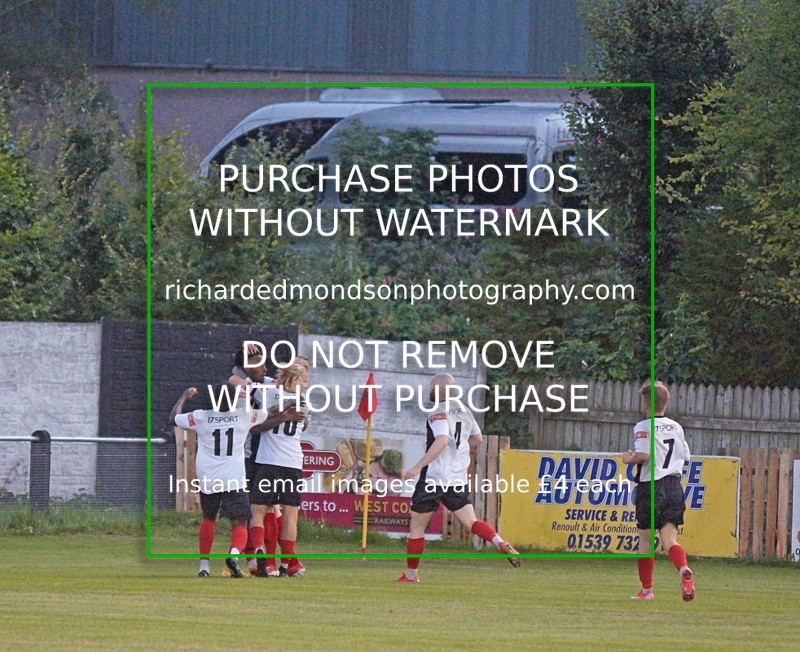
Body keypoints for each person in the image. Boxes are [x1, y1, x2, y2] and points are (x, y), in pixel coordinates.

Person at [397, 373, 521, 584]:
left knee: (417, 528)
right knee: (471, 522)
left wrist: (418, 466)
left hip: (434, 478)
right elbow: (477, 438)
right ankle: (499, 542)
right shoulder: (463, 410)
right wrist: (458, 452)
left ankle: (411, 576)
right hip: (457, 478)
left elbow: (442, 440)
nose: (429, 391)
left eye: (431, 387)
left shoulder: (437, 411)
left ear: (438, 389)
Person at [169, 384, 270, 578]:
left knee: (209, 518)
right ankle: (233, 555)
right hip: (234, 477)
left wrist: (183, 396)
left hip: (208, 476)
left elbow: (173, 417)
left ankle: (204, 568)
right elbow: (267, 416)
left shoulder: (201, 416)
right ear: (233, 400)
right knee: (240, 521)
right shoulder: (243, 415)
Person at [622, 380, 695, 601]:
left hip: (651, 486)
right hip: (673, 486)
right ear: (665, 403)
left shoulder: (643, 426)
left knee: (645, 541)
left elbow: (643, 455)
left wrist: (628, 459)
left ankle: (647, 590)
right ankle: (683, 570)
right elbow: (686, 457)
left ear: (645, 405)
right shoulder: (676, 427)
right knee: (670, 541)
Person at [247, 361, 310, 577]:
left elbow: (256, 426)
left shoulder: (271, 394)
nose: (306, 385)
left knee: (258, 511)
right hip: (293, 463)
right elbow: (305, 424)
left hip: (269, 461)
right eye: (303, 380)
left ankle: (260, 554)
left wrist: (278, 416)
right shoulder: (303, 402)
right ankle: (286, 565)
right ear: (293, 380)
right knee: (291, 515)